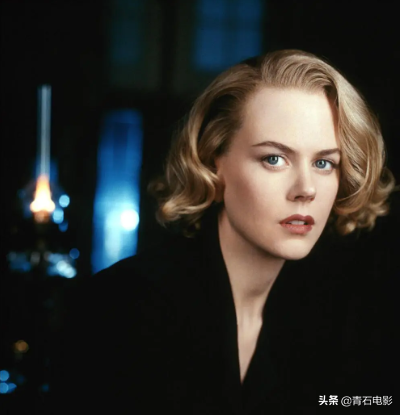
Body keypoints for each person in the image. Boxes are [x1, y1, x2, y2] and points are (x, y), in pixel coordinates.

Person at [48, 50, 397, 414]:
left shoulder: (334, 322)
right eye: (274, 159)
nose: (306, 189)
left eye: (324, 163)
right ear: (213, 162)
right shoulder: (122, 307)